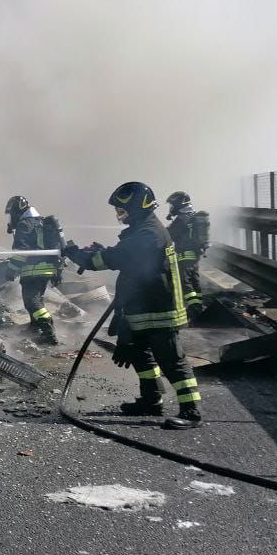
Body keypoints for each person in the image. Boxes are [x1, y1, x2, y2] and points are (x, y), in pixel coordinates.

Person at [64, 182, 202, 429]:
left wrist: (75, 253)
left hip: (158, 307)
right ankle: (151, 400)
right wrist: (103, 251)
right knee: (140, 354)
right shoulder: (142, 229)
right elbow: (126, 257)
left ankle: (191, 412)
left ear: (139, 207)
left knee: (171, 359)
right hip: (141, 303)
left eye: (123, 210)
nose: (119, 215)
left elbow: (111, 259)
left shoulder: (148, 233)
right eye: (118, 210)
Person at [3, 195, 63, 346]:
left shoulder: (25, 224)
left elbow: (21, 252)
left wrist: (11, 270)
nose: (11, 218)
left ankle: (48, 332)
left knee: (32, 302)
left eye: (12, 214)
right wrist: (58, 271)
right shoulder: (40, 222)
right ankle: (34, 327)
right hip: (46, 269)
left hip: (33, 270)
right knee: (37, 299)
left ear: (17, 211)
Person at [165, 191, 209, 322]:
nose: (171, 208)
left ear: (179, 204)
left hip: (184, 257)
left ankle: (194, 311)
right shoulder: (192, 216)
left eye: (172, 205)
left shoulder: (181, 219)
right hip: (194, 257)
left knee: (185, 284)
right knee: (195, 283)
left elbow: (168, 235)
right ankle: (198, 308)